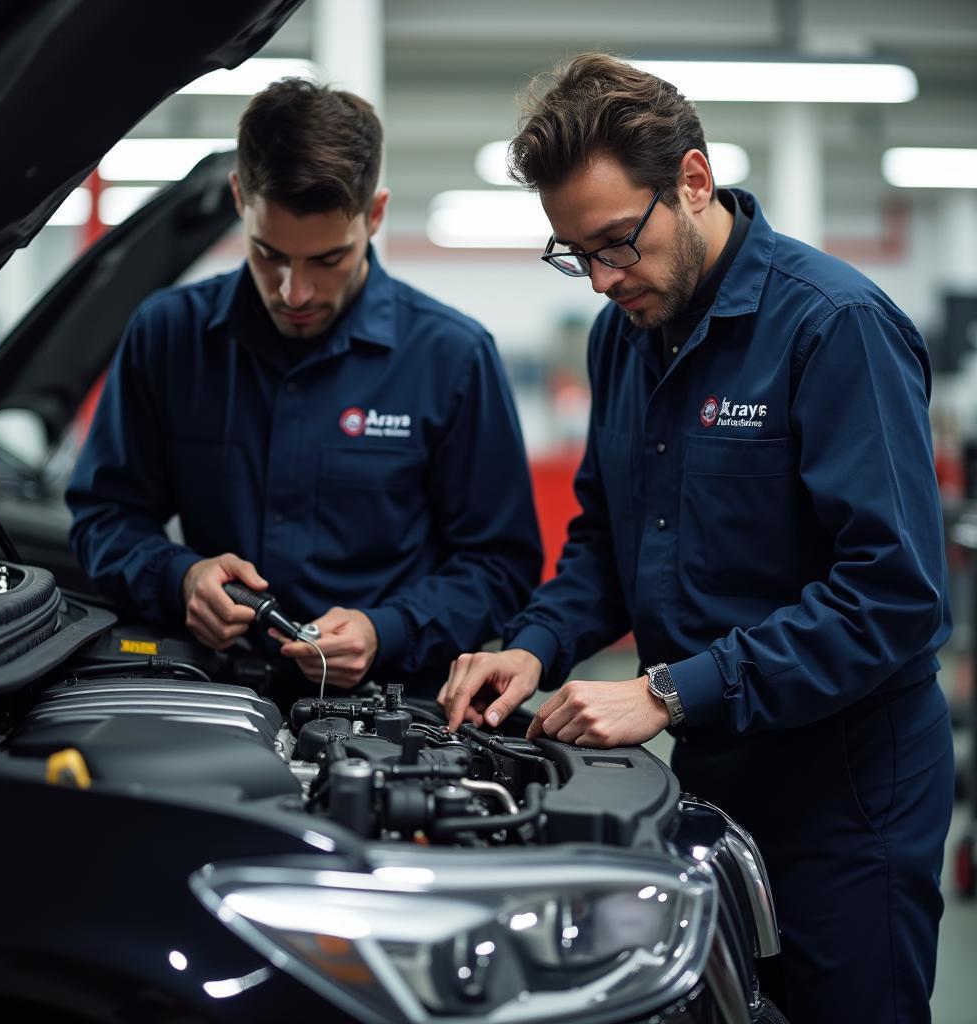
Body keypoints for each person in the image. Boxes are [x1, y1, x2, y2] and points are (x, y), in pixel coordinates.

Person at [439, 53, 953, 1024]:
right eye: (573, 252)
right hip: (712, 773)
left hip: (845, 793)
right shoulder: (622, 335)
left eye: (615, 243)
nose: (599, 278)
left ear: (692, 181)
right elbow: (608, 541)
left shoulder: (831, 327)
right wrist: (531, 646)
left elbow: (892, 596)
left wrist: (669, 688)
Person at [67, 77, 542, 695]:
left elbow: (500, 567)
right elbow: (104, 516)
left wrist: (386, 629)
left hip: (390, 715)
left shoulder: (451, 357)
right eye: (268, 254)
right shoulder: (169, 335)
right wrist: (179, 577)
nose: (294, 292)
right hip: (214, 693)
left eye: (327, 260)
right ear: (240, 199)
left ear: (374, 216)